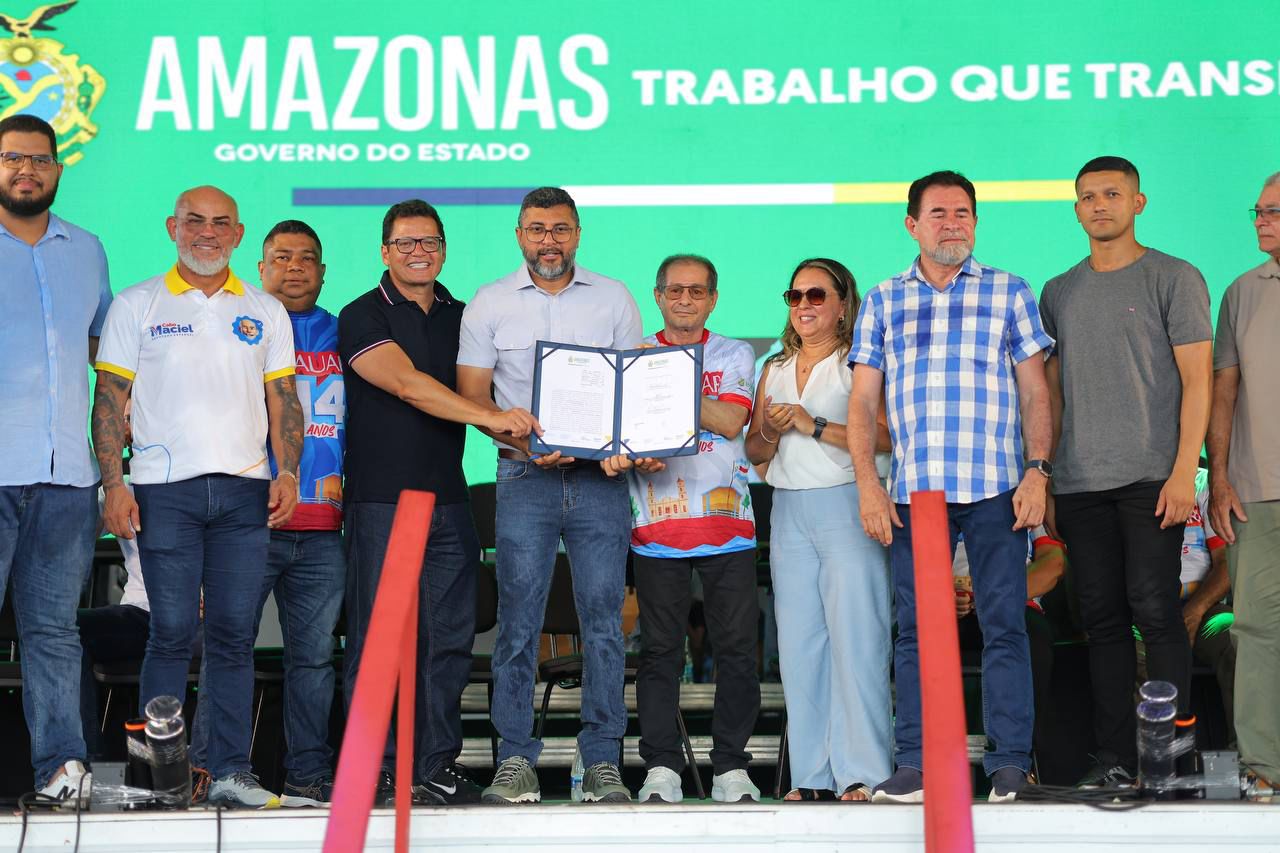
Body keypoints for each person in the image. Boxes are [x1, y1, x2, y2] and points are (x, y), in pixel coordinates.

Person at [92, 185, 303, 809]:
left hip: (245, 493)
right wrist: (113, 484)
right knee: (171, 633)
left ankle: (231, 772)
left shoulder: (266, 308)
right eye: (194, 221)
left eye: (220, 223)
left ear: (238, 234)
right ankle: (160, 781)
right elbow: (109, 399)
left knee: (234, 635)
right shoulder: (136, 304)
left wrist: (289, 473)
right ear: (172, 227)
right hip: (164, 493)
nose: (206, 232)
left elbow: (284, 400)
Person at [849, 171, 1054, 804]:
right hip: (917, 493)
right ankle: (916, 766)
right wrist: (869, 485)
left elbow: (1035, 391)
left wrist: (1038, 471)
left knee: (1005, 627)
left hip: (996, 488)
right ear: (912, 225)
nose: (952, 224)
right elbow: (862, 404)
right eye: (938, 213)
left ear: (976, 222)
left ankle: (1009, 767)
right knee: (918, 633)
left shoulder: (1010, 290)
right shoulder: (883, 299)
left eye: (963, 212)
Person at [338, 199, 537, 806]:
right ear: (385, 251)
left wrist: (548, 440)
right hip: (383, 500)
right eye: (405, 243)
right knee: (379, 640)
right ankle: (374, 769)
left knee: (447, 641)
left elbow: (495, 387)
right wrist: (492, 419)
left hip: (449, 501)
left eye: (429, 242)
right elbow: (408, 385)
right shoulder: (362, 313)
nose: (418, 252)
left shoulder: (464, 315)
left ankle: (433, 767)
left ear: (444, 250)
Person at [457, 186, 645, 804]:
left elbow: (634, 391)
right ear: (519, 235)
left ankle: (603, 762)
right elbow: (473, 397)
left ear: (578, 233)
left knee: (604, 624)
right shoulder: (490, 302)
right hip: (523, 478)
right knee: (518, 625)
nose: (549, 241)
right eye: (537, 229)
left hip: (601, 482)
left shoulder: (613, 297)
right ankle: (515, 760)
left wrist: (619, 443)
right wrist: (520, 436)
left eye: (560, 229)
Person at [1040, 156, 1213, 787]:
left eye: (1112, 194)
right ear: (1076, 209)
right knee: (1103, 622)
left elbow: (1198, 380)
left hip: (1153, 479)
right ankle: (1114, 760)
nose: (1099, 205)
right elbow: (1052, 393)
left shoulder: (1174, 276)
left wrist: (1182, 472)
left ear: (1138, 202)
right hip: (1080, 483)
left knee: (1157, 611)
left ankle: (1168, 759)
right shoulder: (1058, 291)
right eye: (1088, 197)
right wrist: (1048, 475)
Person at [744, 257, 892, 802]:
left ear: (843, 303)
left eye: (816, 295)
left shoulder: (861, 360)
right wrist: (769, 429)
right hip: (788, 508)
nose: (803, 305)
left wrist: (814, 424)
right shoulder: (774, 366)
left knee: (858, 641)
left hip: (849, 502)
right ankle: (812, 776)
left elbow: (888, 436)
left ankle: (865, 773)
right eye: (795, 295)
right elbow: (754, 450)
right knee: (800, 648)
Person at [0, 113, 111, 802]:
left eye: (39, 160)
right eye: (13, 158)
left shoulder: (87, 249)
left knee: (53, 632)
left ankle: (61, 770)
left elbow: (103, 351)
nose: (27, 170)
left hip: (68, 477)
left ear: (58, 170)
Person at [628, 254, 761, 804]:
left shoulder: (733, 353)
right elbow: (623, 436)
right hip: (656, 529)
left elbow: (729, 421)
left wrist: (659, 377)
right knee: (660, 652)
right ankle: (662, 767)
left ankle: (731, 766)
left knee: (737, 650)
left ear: (713, 299)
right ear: (658, 296)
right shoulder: (631, 354)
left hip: (729, 528)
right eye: (675, 290)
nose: (685, 299)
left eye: (697, 291)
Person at [254, 219, 345, 805]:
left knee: (313, 662)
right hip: (249, 524)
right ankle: (214, 770)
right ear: (261, 268)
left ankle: (308, 777)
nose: (294, 267)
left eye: (306, 258)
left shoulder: (347, 333)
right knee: (227, 652)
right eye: (282, 257)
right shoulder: (239, 328)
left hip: (325, 533)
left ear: (323, 271)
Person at [1206, 171, 1280, 793]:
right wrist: (1221, 478)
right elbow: (1223, 392)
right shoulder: (1241, 292)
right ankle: (1264, 769)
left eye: (1273, 211)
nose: (1261, 221)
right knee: (1255, 628)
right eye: (1257, 210)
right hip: (1257, 490)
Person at [953, 526, 1065, 761]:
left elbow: (1053, 563)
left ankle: (1021, 761)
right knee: (916, 639)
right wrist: (939, 595)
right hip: (948, 608)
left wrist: (995, 596)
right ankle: (920, 761)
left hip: (1014, 603)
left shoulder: (1028, 504)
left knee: (1031, 638)